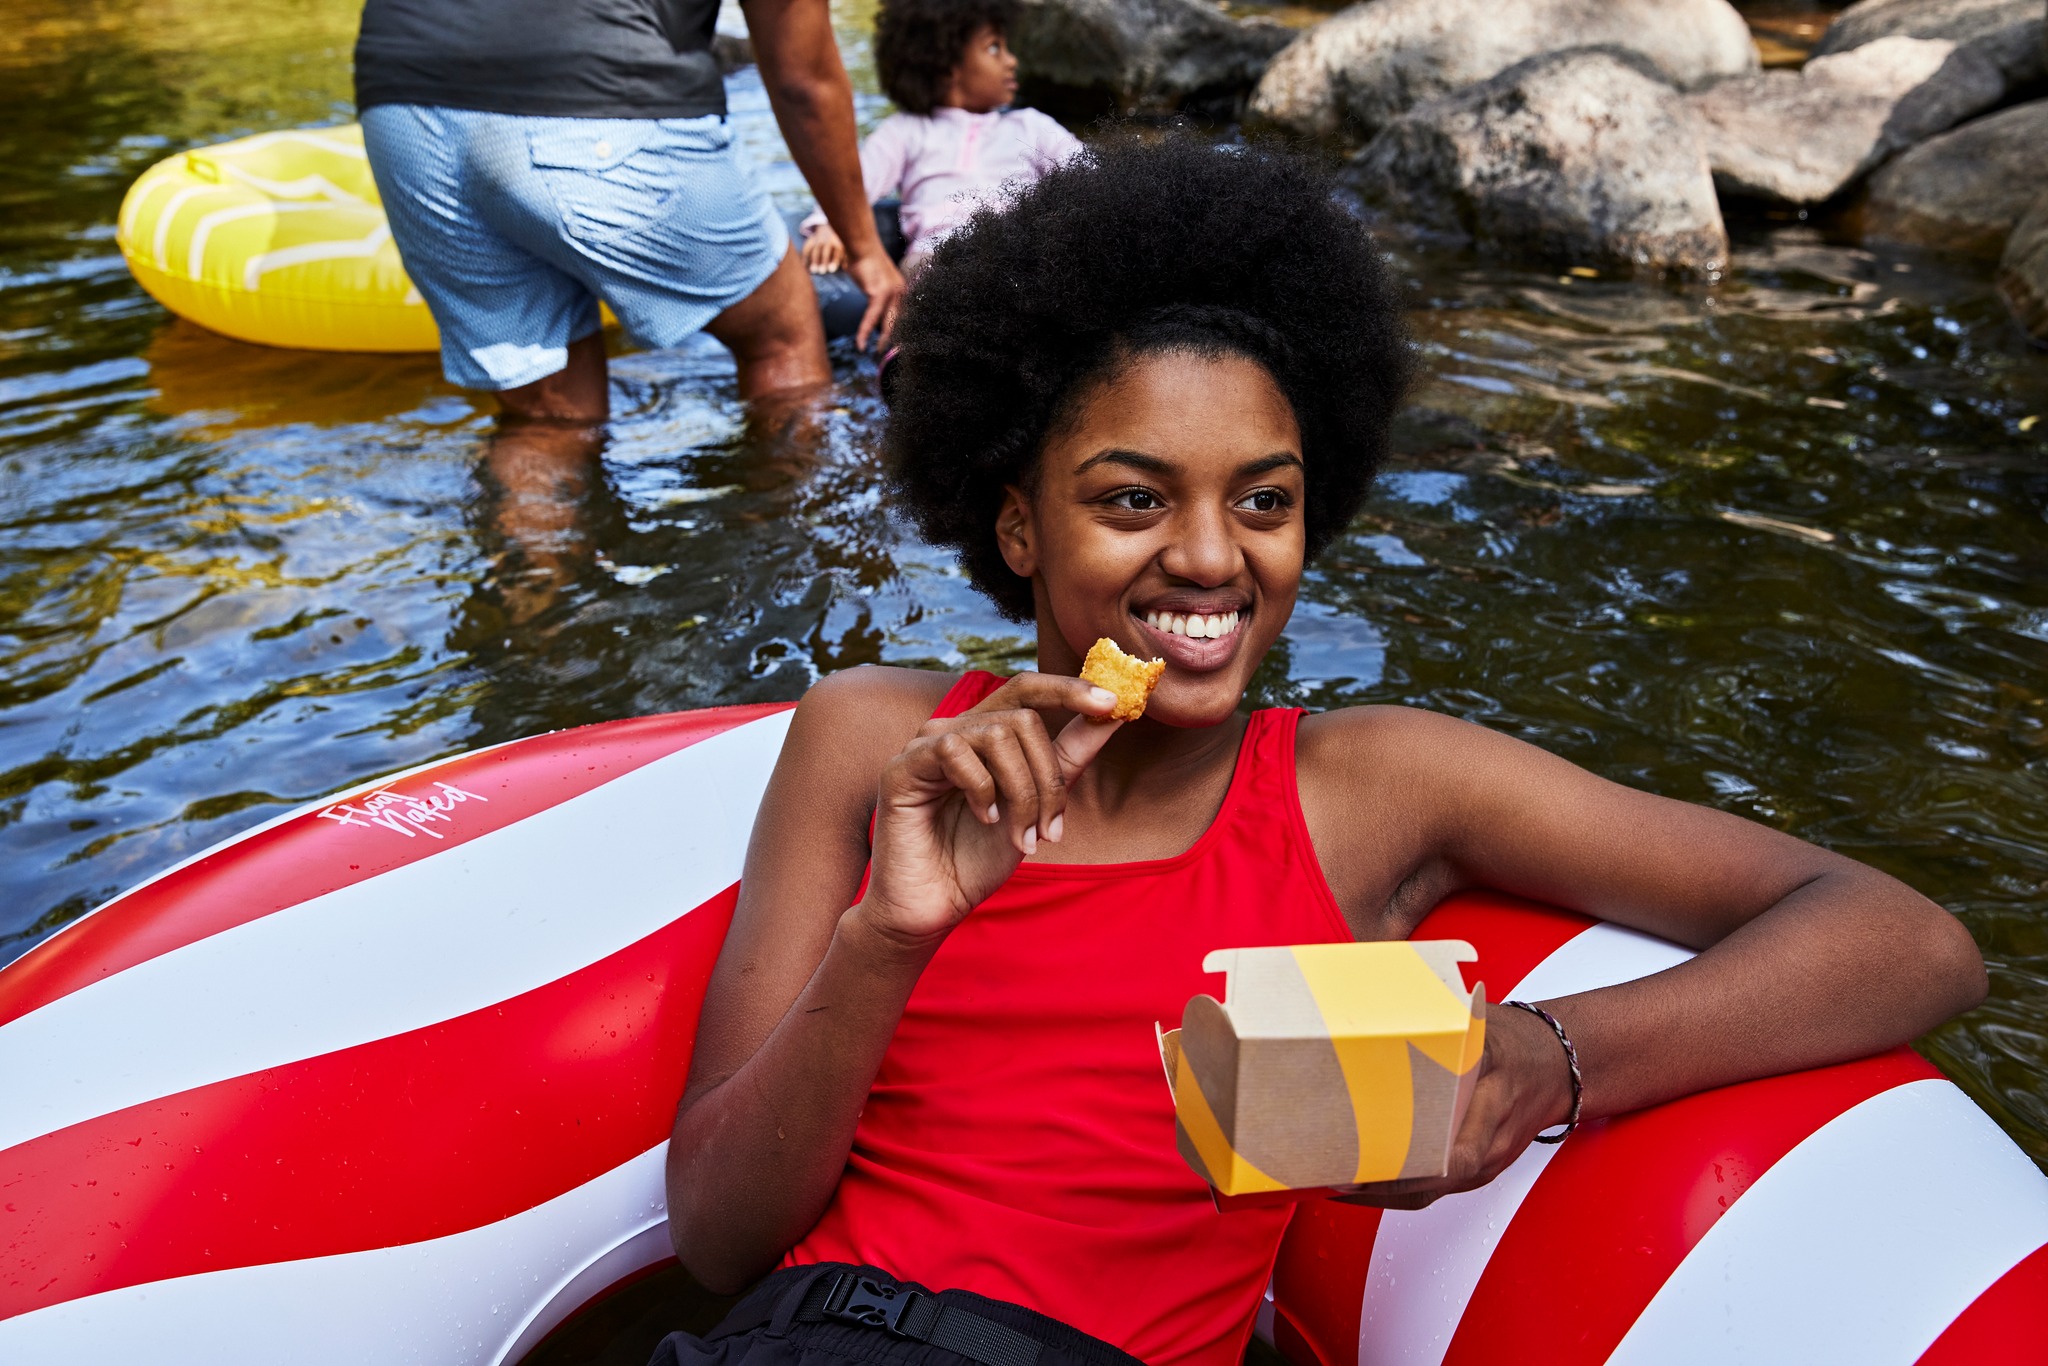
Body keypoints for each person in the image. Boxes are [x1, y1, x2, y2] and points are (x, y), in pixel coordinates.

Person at [657, 137, 1987, 1366]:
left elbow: (1906, 939)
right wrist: (890, 935)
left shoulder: (1371, 789)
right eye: (1133, 497)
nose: (1208, 556)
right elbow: (718, 1239)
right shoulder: (877, 739)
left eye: (1263, 500)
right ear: (1018, 528)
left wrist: (1547, 1055)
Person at [799, 0, 1081, 281]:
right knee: (922, 269)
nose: (1011, 61)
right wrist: (828, 225)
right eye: (994, 48)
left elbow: (1086, 173)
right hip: (936, 258)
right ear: (948, 66)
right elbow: (855, 182)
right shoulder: (907, 130)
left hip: (1018, 253)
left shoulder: (1031, 126)